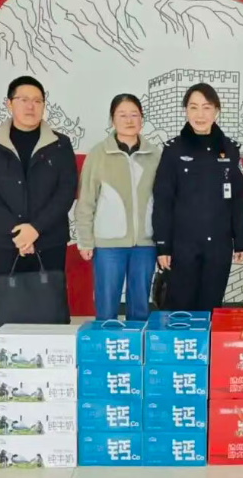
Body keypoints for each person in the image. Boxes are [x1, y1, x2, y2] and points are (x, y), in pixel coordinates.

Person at [0, 75, 77, 402]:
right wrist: (18, 231)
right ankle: (7, 377)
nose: (31, 106)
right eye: (24, 99)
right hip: (6, 242)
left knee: (50, 304)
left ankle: (54, 375)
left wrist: (36, 229)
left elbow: (65, 192)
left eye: (37, 100)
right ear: (9, 103)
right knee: (10, 307)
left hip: (49, 238)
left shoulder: (60, 144)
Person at [152, 83, 243, 311]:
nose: (200, 114)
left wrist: (240, 240)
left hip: (219, 247)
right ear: (186, 111)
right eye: (193, 107)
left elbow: (237, 200)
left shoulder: (230, 150)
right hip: (182, 247)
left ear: (216, 111)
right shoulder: (173, 150)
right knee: (180, 311)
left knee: (211, 309)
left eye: (206, 107)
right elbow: (163, 201)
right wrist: (163, 246)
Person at [75, 94, 161, 321]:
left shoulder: (155, 155)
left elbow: (164, 201)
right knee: (106, 306)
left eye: (134, 114)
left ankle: (136, 343)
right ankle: (107, 343)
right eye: (122, 115)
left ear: (142, 118)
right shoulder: (99, 154)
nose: (129, 120)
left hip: (145, 243)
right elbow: (86, 200)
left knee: (140, 307)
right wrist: (85, 240)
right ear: (112, 119)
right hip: (108, 245)